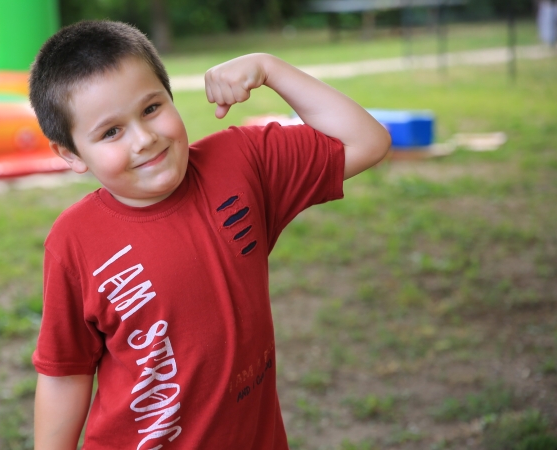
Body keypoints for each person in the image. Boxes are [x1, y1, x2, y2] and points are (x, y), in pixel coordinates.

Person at [29, 20, 390, 450]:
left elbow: (367, 141)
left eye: (151, 108)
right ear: (71, 154)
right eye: (111, 132)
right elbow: (65, 372)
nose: (145, 139)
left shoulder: (241, 163)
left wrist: (269, 67)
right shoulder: (74, 241)